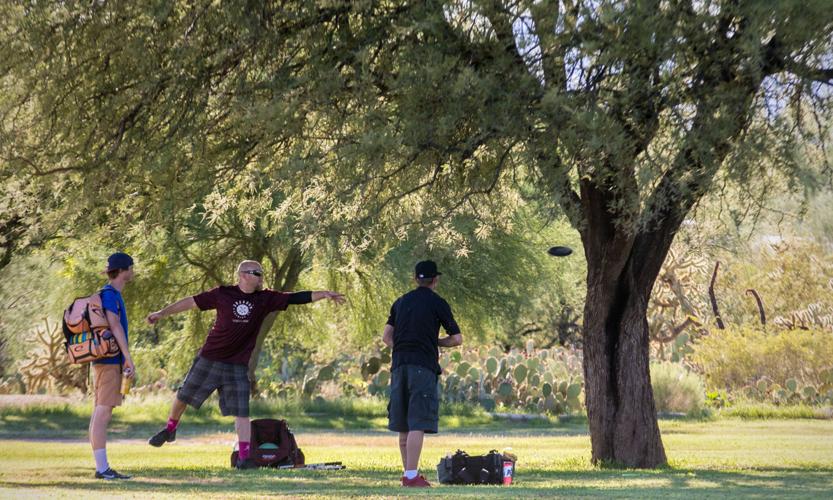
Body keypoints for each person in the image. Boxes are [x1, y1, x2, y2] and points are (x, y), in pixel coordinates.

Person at [145, 260, 345, 469]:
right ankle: (170, 429)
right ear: (243, 275)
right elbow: (190, 302)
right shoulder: (222, 294)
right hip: (210, 358)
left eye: (261, 273)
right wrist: (162, 313)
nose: (261, 277)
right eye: (257, 273)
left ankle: (244, 457)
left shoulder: (265, 298)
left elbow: (295, 298)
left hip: (237, 365)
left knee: (242, 412)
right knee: (183, 396)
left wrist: (324, 294)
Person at [382, 260, 462, 487]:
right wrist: (433, 342)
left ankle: (408, 473)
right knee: (417, 422)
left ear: (415, 278)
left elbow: (387, 337)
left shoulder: (400, 302)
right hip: (423, 367)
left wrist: (404, 346)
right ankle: (410, 477)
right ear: (435, 280)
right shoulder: (438, 303)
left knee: (403, 423)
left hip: (399, 366)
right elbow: (457, 339)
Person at [90, 252, 136, 480]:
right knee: (103, 412)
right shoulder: (110, 295)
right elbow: (114, 324)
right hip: (109, 361)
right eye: (131, 267)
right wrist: (127, 357)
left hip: (106, 361)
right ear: (123, 270)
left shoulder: (112, 294)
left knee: (100, 411)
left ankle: (102, 466)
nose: (133, 271)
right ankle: (102, 469)